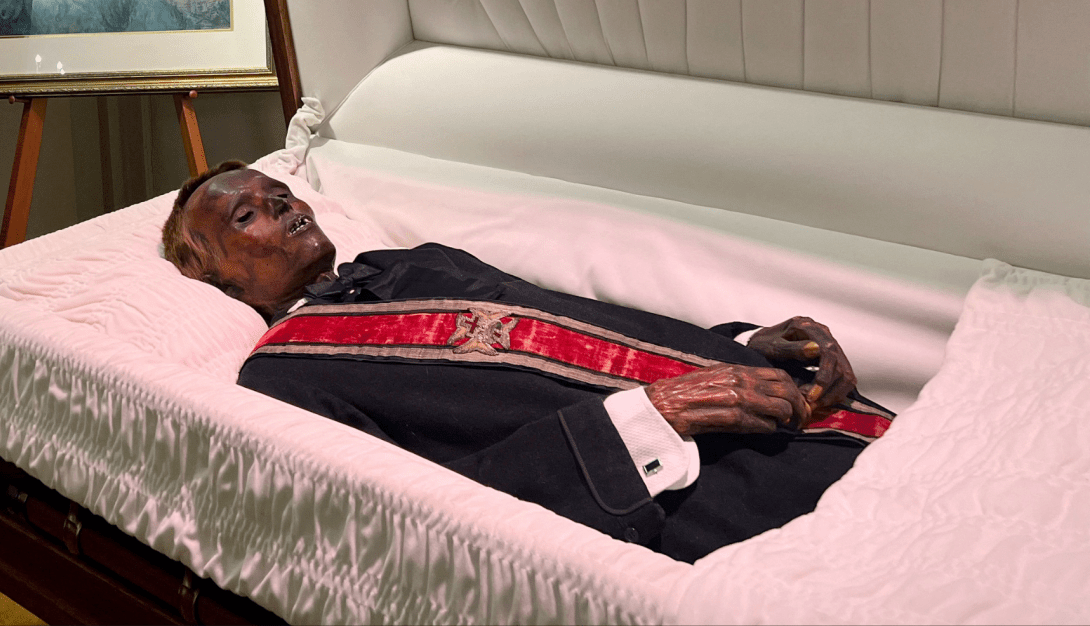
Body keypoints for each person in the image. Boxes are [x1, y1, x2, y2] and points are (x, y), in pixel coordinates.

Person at [162, 161, 894, 562]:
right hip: (713, 498)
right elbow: (422, 519)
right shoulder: (281, 375)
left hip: (823, 415)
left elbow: (587, 323)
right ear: (215, 278)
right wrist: (659, 416)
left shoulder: (408, 262)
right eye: (247, 215)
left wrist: (744, 343)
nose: (287, 208)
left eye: (282, 193)